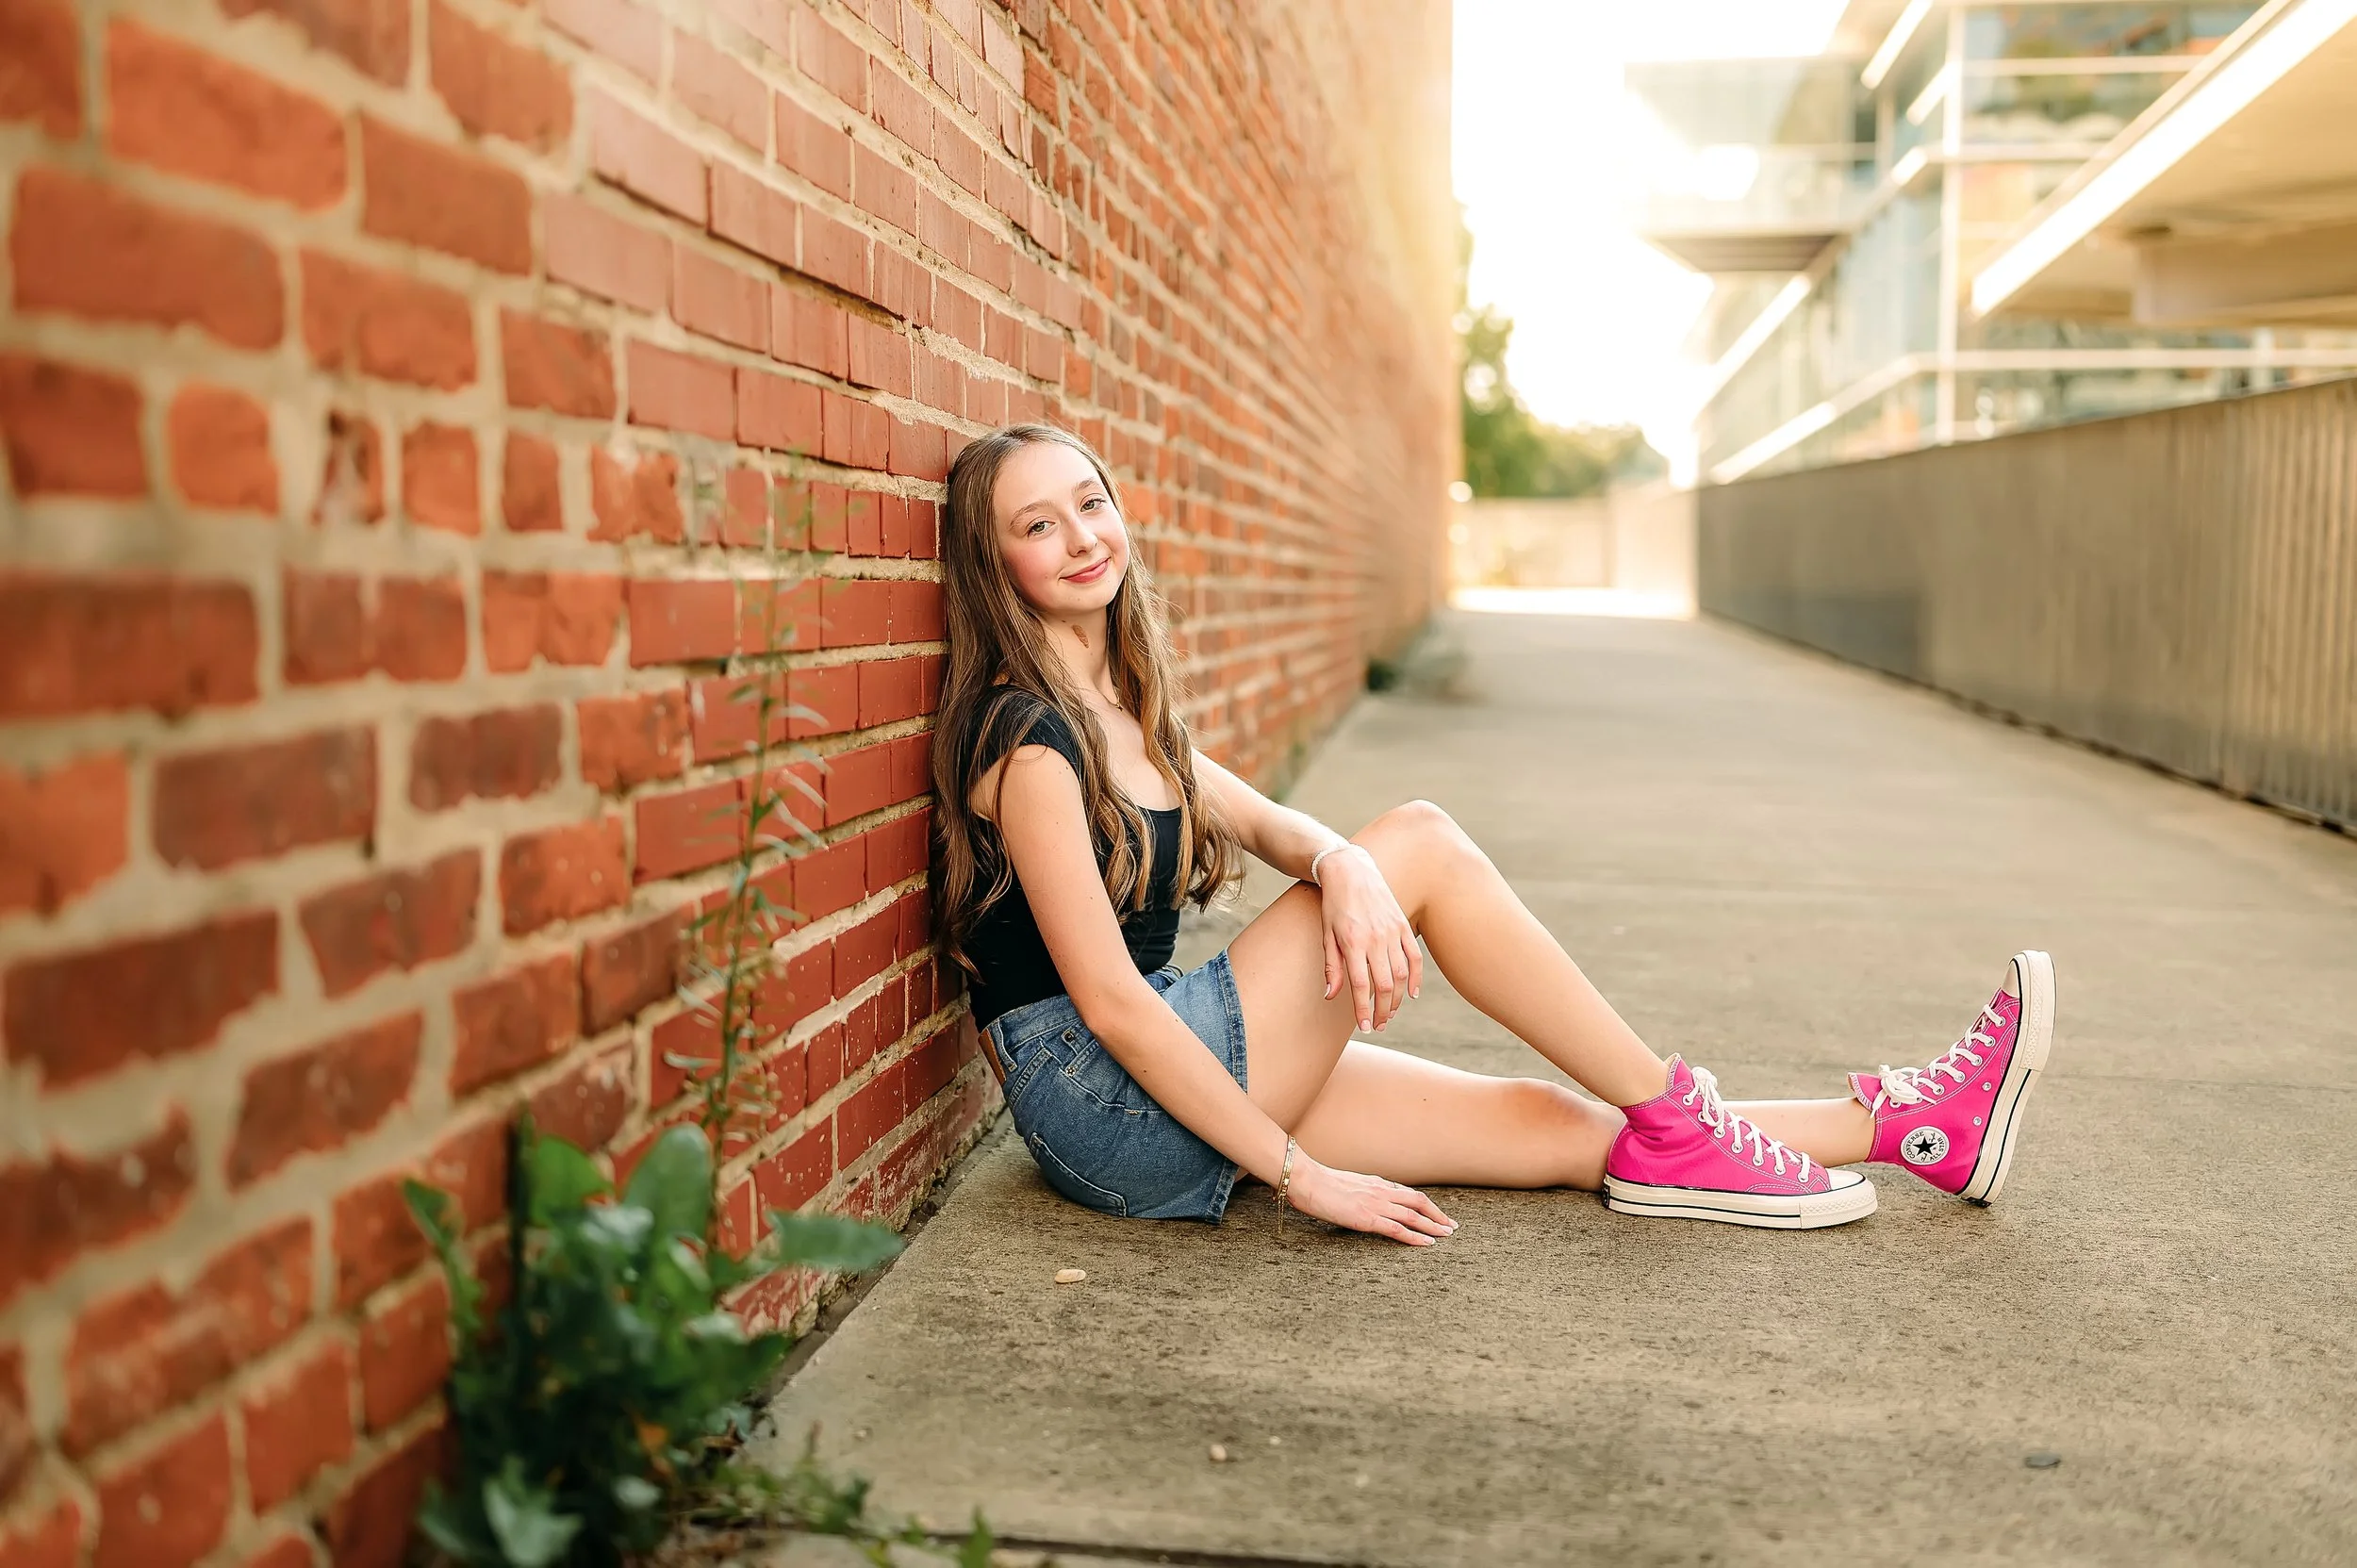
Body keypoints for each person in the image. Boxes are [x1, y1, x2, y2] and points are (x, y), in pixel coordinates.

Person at [930, 423, 2056, 1244]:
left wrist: (1342, 864)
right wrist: (1297, 1172)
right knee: (1418, 835)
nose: (1081, 536)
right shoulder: (1028, 743)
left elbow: (1277, 824)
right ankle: (1675, 1112)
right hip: (1104, 1099)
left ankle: (1912, 1126)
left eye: (1090, 502)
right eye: (1038, 524)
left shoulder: (1124, 714)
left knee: (1554, 1124)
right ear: (999, 566)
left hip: (1167, 1066)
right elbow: (1116, 1005)